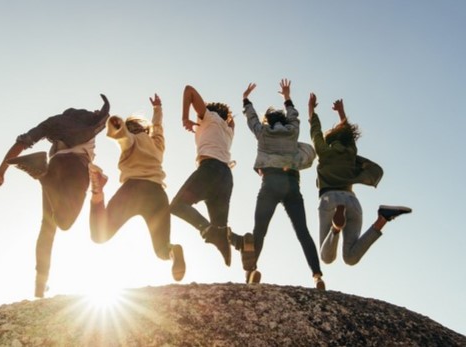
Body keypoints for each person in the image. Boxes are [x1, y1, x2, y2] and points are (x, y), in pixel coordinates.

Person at [0, 94, 110, 298]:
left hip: (55, 166)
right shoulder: (90, 120)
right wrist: (101, 111)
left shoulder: (52, 123)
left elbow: (22, 142)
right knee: (64, 222)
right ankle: (41, 175)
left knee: (47, 227)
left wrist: (1, 171)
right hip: (77, 168)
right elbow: (106, 115)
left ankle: (39, 286)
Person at [232, 79, 325, 289]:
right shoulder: (293, 130)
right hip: (292, 184)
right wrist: (287, 96)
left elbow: (251, 118)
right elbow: (294, 115)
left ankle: (252, 270)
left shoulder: (263, 132)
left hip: (270, 182)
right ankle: (317, 275)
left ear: (268, 121)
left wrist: (245, 99)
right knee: (303, 232)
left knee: (260, 230)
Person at [87, 93, 185, 282]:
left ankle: (97, 191)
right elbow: (158, 128)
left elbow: (124, 138)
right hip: (157, 194)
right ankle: (173, 250)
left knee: (99, 235)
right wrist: (157, 109)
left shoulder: (130, 140)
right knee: (162, 249)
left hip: (132, 191)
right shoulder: (157, 144)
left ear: (130, 129)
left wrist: (118, 126)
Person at [308, 93, 412, 266]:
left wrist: (311, 108)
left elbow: (315, 129)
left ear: (330, 140)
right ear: (348, 139)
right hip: (352, 201)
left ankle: (336, 227)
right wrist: (341, 112)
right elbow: (347, 131)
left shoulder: (324, 151)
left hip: (329, 199)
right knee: (350, 258)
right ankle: (383, 218)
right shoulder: (350, 151)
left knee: (327, 258)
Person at [169, 85, 243, 268]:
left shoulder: (209, 117)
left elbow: (188, 90)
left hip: (210, 170)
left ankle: (215, 235)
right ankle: (242, 243)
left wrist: (185, 117)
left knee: (177, 206)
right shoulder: (229, 129)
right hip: (226, 177)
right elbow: (232, 121)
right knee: (220, 230)